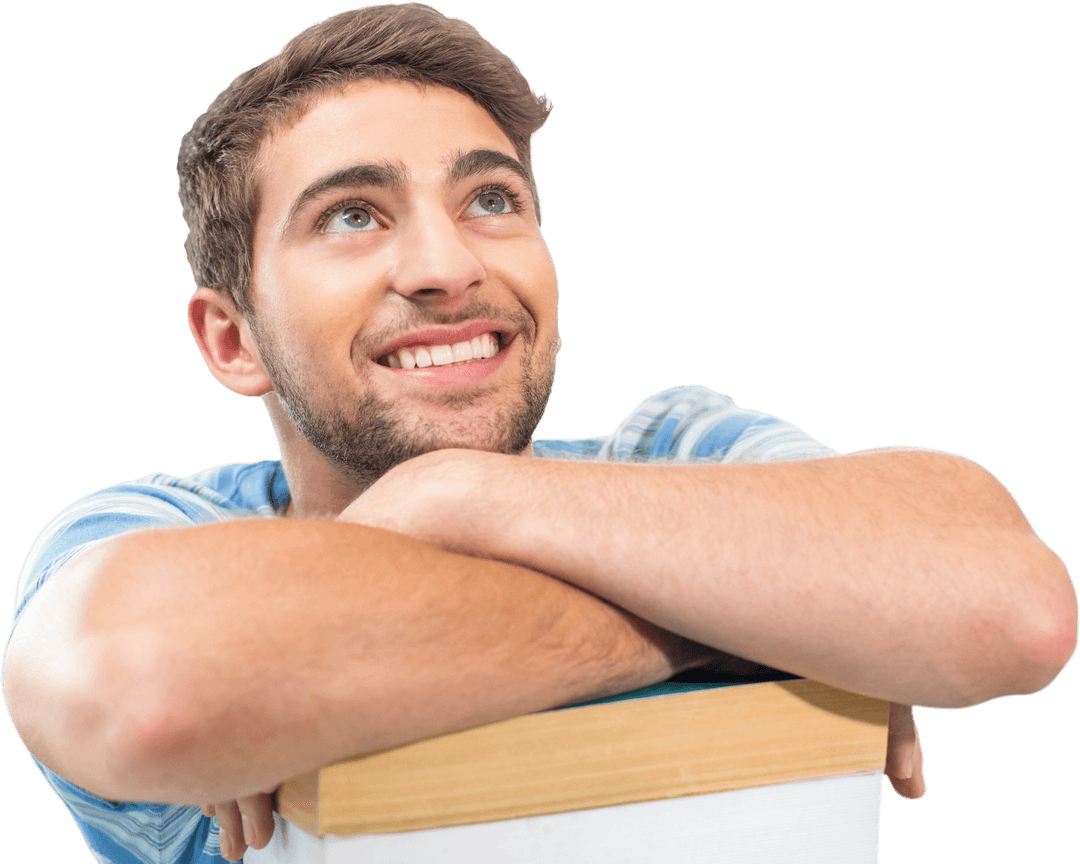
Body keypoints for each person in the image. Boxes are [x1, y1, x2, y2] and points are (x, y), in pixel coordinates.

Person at [2, 4, 1075, 863]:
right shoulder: (155, 538)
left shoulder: (676, 449)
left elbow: (1013, 611)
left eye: (492, 200)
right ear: (231, 340)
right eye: (352, 215)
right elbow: (149, 688)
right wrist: (770, 615)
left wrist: (457, 505)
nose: (448, 265)